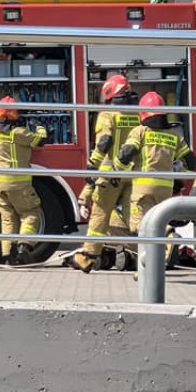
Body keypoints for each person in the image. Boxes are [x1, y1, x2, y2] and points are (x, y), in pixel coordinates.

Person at [66, 74, 139, 274]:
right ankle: (146, 254)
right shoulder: (138, 112)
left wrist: (92, 164)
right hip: (133, 175)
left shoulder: (108, 114)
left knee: (100, 215)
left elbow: (105, 141)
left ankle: (88, 257)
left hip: (110, 175)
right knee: (134, 217)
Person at [115, 90, 196, 236]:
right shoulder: (174, 135)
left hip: (142, 188)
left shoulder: (140, 131)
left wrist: (117, 171)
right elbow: (191, 161)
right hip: (165, 190)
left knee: (137, 226)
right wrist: (178, 170)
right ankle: (165, 244)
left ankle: (168, 235)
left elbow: (126, 154)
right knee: (159, 219)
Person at [0, 96, 48, 264]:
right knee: (30, 214)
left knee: (7, 219)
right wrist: (40, 125)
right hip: (19, 184)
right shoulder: (20, 133)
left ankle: (7, 255)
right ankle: (24, 246)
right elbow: (40, 141)